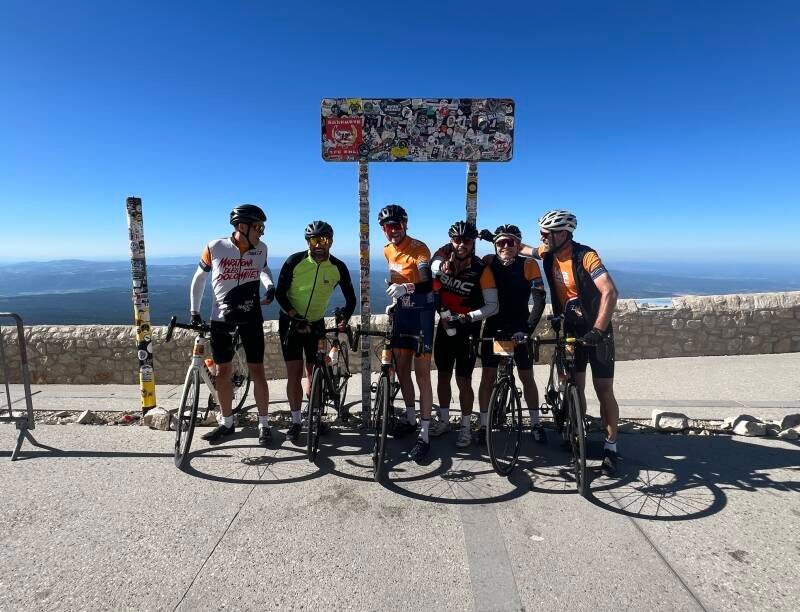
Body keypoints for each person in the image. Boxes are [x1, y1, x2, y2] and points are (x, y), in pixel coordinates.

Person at [520, 209, 620, 476]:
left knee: (603, 389)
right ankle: (577, 431)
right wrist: (493, 238)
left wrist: (598, 330)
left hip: (597, 331)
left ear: (563, 234)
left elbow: (610, 291)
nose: (542, 238)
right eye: (541, 233)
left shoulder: (586, 256)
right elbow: (525, 249)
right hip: (570, 329)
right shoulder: (548, 252)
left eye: (546, 234)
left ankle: (611, 447)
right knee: (575, 384)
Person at [189, 204, 275, 446]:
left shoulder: (261, 248)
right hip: (222, 318)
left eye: (262, 227)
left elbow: (263, 269)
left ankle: (264, 424)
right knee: (222, 372)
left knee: (257, 371)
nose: (261, 232)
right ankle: (227, 423)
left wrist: (270, 286)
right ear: (242, 226)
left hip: (251, 316)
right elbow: (199, 278)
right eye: (258, 227)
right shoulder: (215, 246)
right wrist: (194, 311)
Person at [274, 220, 357, 444]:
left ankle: (316, 417)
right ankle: (295, 421)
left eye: (324, 239)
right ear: (308, 242)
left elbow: (351, 299)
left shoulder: (338, 267)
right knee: (294, 373)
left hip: (316, 324)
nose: (319, 244)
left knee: (315, 372)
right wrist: (294, 315)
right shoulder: (294, 261)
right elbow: (280, 294)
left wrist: (344, 318)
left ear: (331, 242)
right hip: (291, 323)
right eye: (314, 240)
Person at [430, 221, 498, 448]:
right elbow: (432, 263)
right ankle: (444, 421)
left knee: (463, 381)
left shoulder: (481, 269)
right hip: (444, 327)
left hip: (467, 331)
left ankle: (466, 427)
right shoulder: (444, 257)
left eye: (466, 240)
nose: (461, 244)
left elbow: (492, 306)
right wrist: (439, 268)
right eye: (457, 239)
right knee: (442, 377)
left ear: (473, 242)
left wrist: (468, 317)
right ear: (451, 241)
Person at [476, 224, 547, 446]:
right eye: (501, 242)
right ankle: (484, 425)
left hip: (519, 328)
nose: (505, 246)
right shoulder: (488, 261)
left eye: (511, 242)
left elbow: (539, 300)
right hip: (494, 327)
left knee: (526, 377)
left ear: (518, 245)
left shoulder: (528, 264)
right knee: (488, 377)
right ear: (495, 245)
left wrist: (526, 330)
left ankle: (535, 423)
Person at [379, 204, 435, 462]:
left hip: (422, 314)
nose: (392, 231)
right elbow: (395, 279)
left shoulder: (419, 249)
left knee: (422, 375)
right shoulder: (387, 250)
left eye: (397, 225)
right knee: (401, 370)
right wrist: (396, 297)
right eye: (387, 227)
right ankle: (411, 420)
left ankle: (425, 435)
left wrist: (407, 288)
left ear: (405, 224)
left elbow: (427, 283)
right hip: (402, 313)